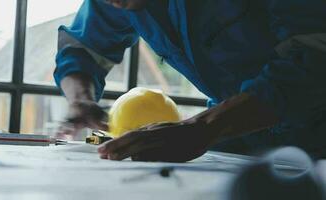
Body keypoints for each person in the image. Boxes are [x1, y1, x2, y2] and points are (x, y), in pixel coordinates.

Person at [55, 0, 326, 162]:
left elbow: (313, 57)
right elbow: (82, 48)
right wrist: (80, 99)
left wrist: (204, 127)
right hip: (238, 139)